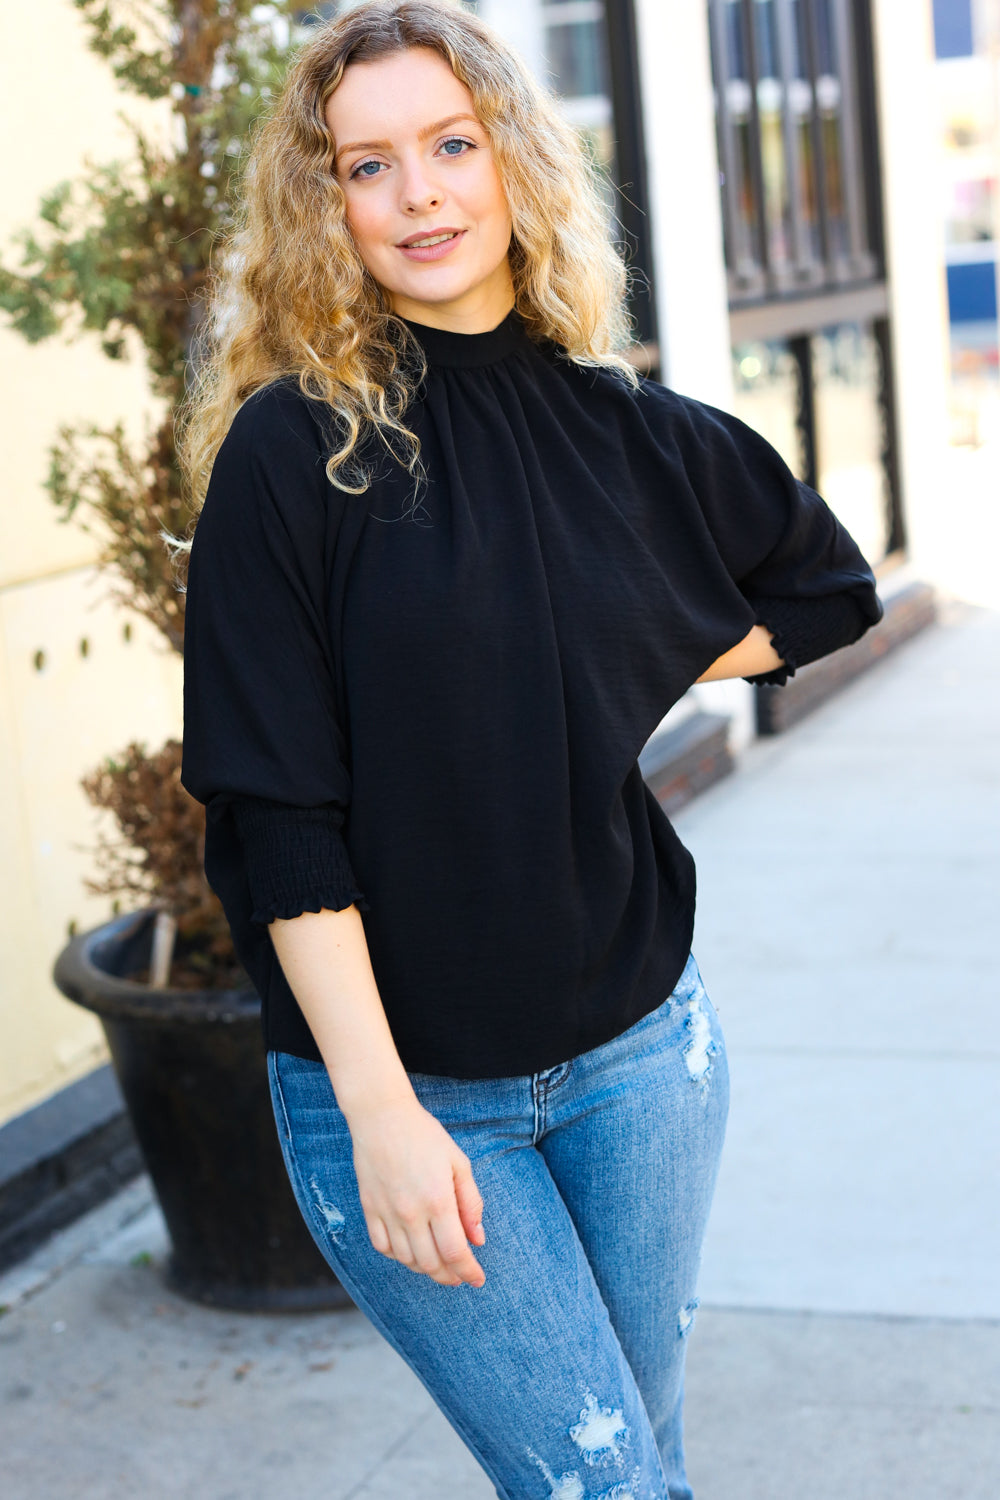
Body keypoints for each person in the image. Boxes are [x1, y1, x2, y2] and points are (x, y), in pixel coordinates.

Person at [178, 3, 882, 1496]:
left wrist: (616, 650)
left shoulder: (623, 427)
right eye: (367, 166)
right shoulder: (290, 456)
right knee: (606, 1483)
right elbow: (276, 817)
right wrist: (379, 1109)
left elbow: (827, 590)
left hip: (642, 1047)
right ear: (326, 208)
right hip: (417, 1090)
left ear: (514, 161)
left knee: (648, 1447)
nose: (421, 192)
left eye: (451, 143)